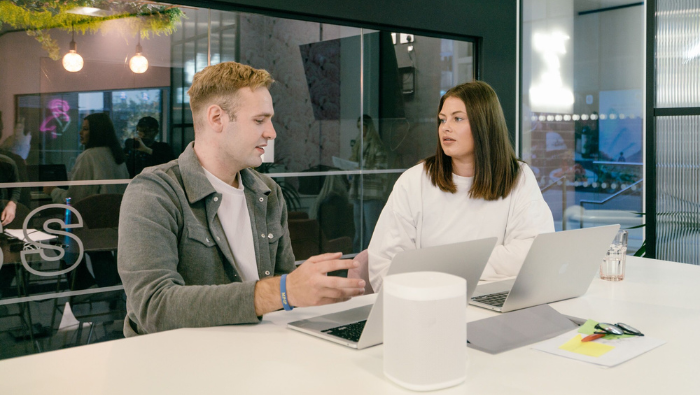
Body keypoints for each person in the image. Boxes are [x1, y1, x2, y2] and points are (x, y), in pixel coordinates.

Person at [117, 61, 365, 337]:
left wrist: (317, 294)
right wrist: (282, 291)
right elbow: (152, 308)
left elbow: (284, 301)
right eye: (259, 120)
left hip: (255, 355)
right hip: (180, 365)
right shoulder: (154, 192)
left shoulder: (268, 192)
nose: (271, 132)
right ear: (217, 118)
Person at [368, 81, 554, 292]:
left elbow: (533, 253)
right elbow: (384, 265)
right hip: (429, 302)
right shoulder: (413, 181)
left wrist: (438, 266)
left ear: (485, 124)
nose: (446, 127)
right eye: (442, 119)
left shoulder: (517, 176)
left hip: (494, 299)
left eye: (457, 118)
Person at [44, 113, 130, 203]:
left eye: (85, 129)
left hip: (96, 214)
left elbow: (75, 198)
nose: (80, 132)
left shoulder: (89, 156)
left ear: (96, 132)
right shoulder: (116, 155)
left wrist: (53, 191)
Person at [348, 115, 387, 252]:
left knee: (371, 230)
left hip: (372, 193)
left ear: (368, 127)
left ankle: (370, 259)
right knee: (359, 230)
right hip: (358, 191)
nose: (361, 130)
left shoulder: (377, 146)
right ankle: (357, 258)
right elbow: (353, 164)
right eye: (358, 127)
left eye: (362, 127)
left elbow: (381, 170)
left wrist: (361, 170)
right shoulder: (358, 144)